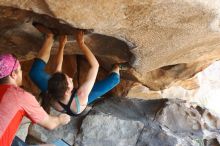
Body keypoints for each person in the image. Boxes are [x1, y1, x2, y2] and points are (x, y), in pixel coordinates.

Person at [29, 24, 121, 116]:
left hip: (61, 96)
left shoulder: (54, 88)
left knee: (34, 73)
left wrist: (62, 45)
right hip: (76, 104)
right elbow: (95, 66)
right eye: (69, 80)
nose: (71, 78)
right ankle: (117, 67)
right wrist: (81, 43)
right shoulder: (81, 95)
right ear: (67, 90)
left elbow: (58, 65)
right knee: (115, 80)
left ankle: (50, 37)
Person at [0, 54, 71, 146]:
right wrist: (60, 119)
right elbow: (50, 124)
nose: (22, 72)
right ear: (13, 74)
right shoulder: (20, 96)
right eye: (20, 70)